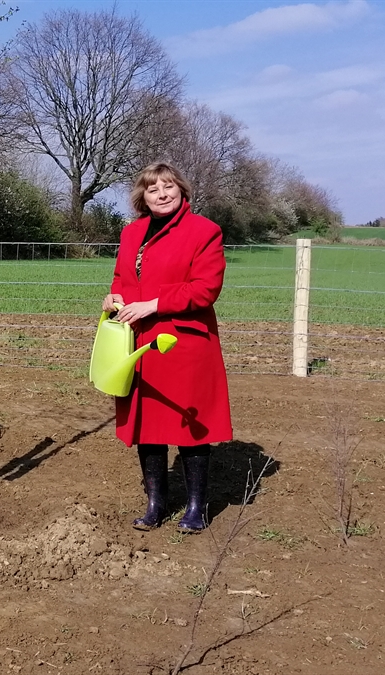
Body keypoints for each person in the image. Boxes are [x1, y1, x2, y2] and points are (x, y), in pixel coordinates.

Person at [102, 162, 233, 533]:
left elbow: (206, 288)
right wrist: (114, 297)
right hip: (140, 341)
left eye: (168, 186)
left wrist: (153, 303)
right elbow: (121, 278)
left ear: (182, 191)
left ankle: (195, 507)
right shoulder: (131, 233)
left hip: (184, 342)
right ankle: (156, 503)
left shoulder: (204, 231)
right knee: (148, 426)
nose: (161, 194)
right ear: (142, 197)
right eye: (153, 188)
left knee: (189, 424)